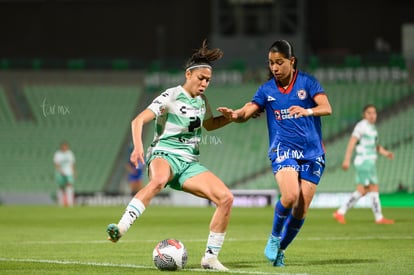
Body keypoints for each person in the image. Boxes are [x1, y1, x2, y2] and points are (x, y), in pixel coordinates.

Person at [106, 40, 234, 271]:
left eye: (208, 80)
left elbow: (210, 125)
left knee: (226, 198)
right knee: (158, 181)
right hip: (164, 154)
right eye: (201, 79)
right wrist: (137, 148)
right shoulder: (171, 95)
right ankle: (122, 227)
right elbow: (138, 121)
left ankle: (210, 258)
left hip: (189, 164)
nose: (205, 83)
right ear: (188, 74)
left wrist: (229, 117)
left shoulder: (202, 101)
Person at [218, 40, 332, 267]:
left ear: (291, 61)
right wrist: (234, 115)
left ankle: (281, 249)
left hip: (312, 153)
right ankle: (273, 237)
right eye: (271, 63)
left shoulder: (308, 82)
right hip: (283, 149)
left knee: (301, 210)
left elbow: (326, 108)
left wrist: (306, 110)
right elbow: (247, 112)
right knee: (290, 196)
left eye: (279, 63)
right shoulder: (267, 90)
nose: (275, 68)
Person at [333, 104, 395, 224]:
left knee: (363, 190)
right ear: (364, 115)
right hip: (364, 161)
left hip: (369, 161)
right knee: (373, 187)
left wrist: (386, 153)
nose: (372, 115)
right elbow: (352, 142)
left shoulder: (372, 128)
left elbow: (375, 146)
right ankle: (379, 217)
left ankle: (340, 212)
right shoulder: (361, 126)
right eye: (369, 113)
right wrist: (347, 159)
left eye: (374, 113)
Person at [53, 141, 76, 207]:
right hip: (60, 172)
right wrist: (60, 171)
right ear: (61, 147)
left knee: (69, 185)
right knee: (61, 187)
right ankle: (60, 203)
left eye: (66, 146)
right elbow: (56, 164)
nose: (64, 147)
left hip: (69, 172)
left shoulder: (70, 153)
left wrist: (74, 172)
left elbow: (72, 164)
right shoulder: (58, 154)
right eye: (63, 146)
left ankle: (70, 203)